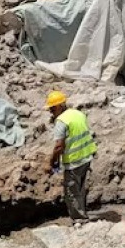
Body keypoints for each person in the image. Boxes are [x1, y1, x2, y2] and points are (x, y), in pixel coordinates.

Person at [46, 91, 97, 221]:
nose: (50, 111)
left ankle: (79, 219)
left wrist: (52, 162)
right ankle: (82, 213)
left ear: (60, 106)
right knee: (79, 188)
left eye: (52, 108)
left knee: (72, 192)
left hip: (74, 161)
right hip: (86, 157)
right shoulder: (78, 113)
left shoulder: (61, 121)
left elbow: (58, 146)